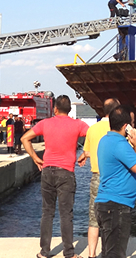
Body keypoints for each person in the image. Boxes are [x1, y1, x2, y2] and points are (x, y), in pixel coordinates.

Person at [21, 95, 89, 258]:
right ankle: (69, 253)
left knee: (47, 212)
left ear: (55, 109)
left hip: (47, 171)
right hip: (66, 173)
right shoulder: (78, 124)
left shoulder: (45, 123)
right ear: (70, 110)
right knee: (66, 214)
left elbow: (24, 138)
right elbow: (95, 137)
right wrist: (85, 153)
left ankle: (44, 252)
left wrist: (35, 158)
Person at [94, 106, 136, 258]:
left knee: (108, 252)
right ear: (126, 126)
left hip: (105, 204)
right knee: (115, 254)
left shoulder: (105, 140)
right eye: (132, 123)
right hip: (116, 206)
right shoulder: (120, 144)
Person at [76, 98, 121, 258]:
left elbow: (88, 151)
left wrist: (84, 155)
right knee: (113, 218)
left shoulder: (92, 129)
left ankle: (91, 254)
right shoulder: (119, 129)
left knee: (94, 219)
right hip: (114, 178)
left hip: (97, 177)